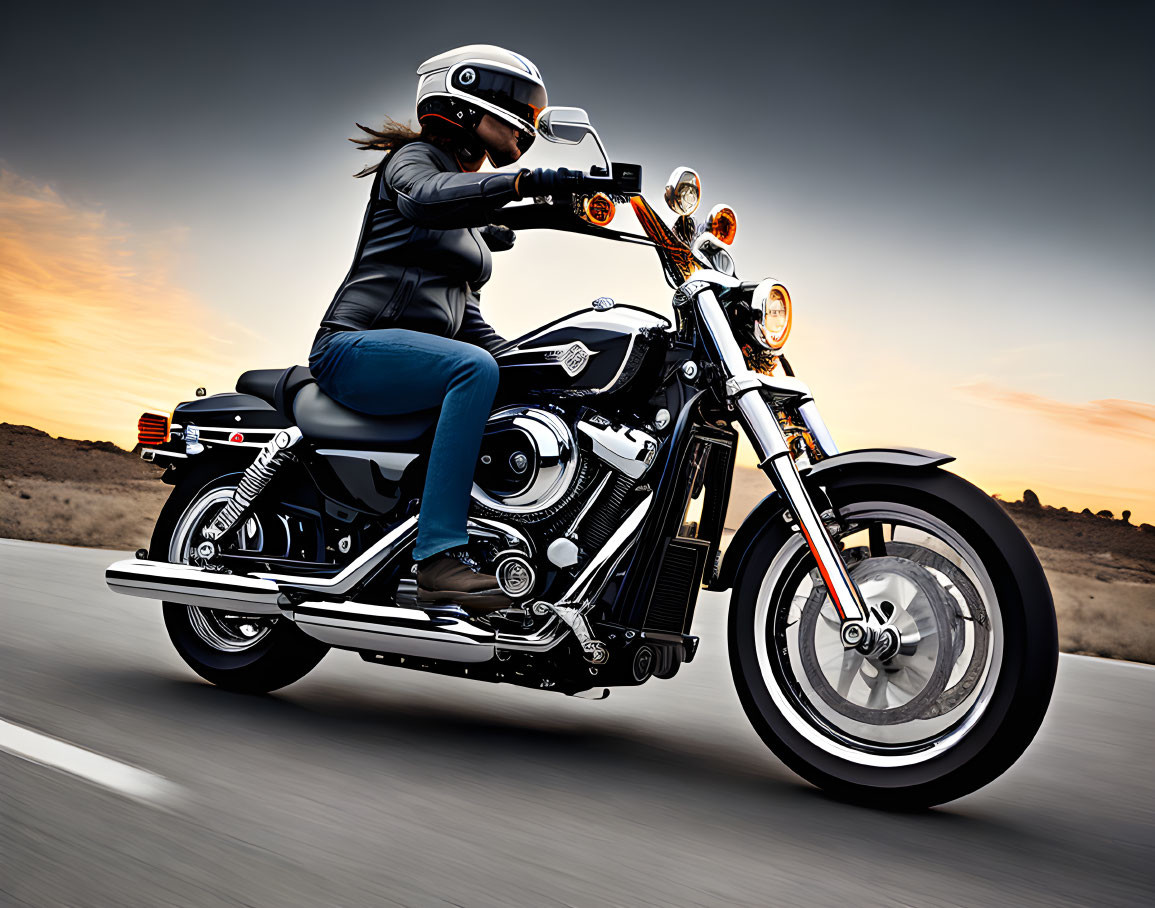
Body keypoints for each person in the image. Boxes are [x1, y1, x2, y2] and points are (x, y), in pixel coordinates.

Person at [309, 45, 595, 613]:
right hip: (353, 346)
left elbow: (463, 312)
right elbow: (428, 198)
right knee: (473, 368)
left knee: (539, 374)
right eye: (518, 103)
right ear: (465, 100)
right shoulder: (412, 164)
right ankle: (437, 558)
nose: (528, 119)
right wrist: (525, 182)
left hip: (421, 353)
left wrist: (538, 360)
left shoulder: (464, 219)